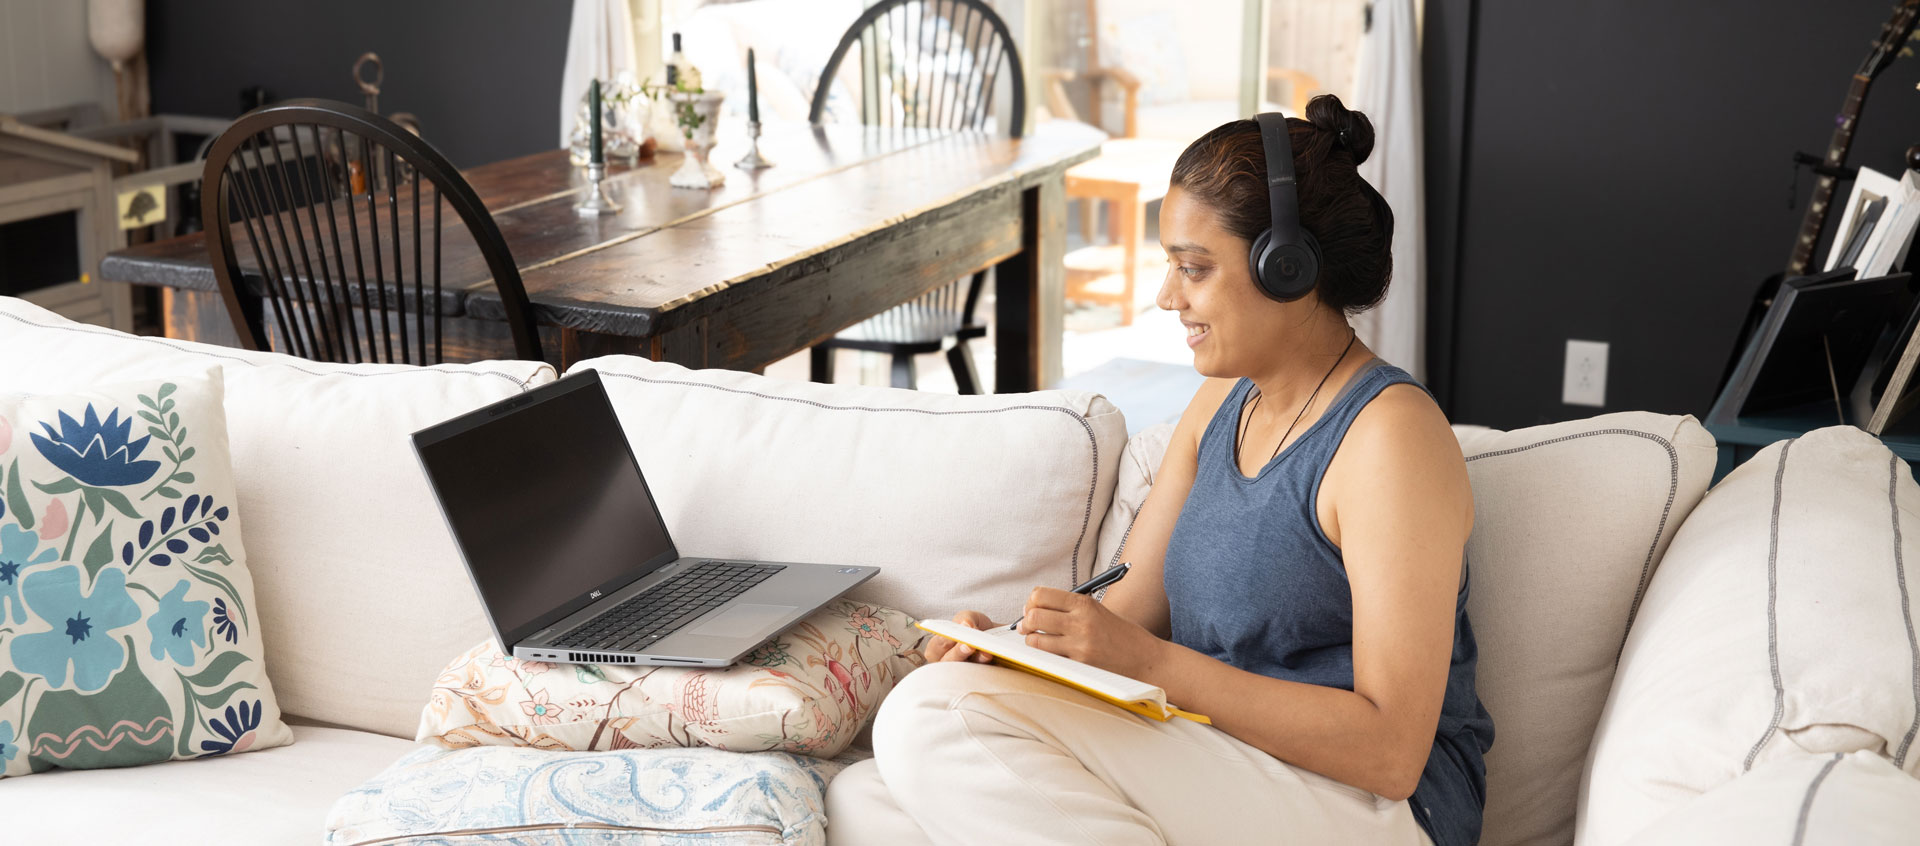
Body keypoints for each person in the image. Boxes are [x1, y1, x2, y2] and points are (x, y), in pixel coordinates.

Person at [825, 94, 1493, 846]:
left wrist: (1148, 663)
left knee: (930, 723)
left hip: (1377, 807)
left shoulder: (1389, 438)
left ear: (1289, 268)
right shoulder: (1217, 407)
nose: (1166, 296)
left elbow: (1390, 751)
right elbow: (1124, 619)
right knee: (865, 797)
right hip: (1219, 757)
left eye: (1194, 269)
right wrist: (1012, 654)